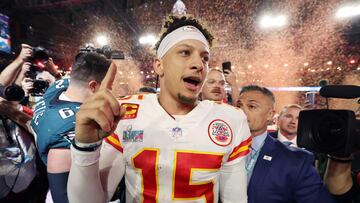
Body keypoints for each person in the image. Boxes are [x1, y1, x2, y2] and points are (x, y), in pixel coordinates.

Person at [68, 15, 251, 203]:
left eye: (205, 58)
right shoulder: (126, 113)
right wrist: (85, 147)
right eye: (185, 52)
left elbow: (235, 199)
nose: (199, 65)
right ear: (159, 65)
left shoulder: (231, 119)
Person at [31, 52, 111, 203]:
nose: (111, 91)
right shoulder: (72, 129)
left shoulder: (58, 87)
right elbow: (62, 196)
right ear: (93, 86)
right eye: (109, 86)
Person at [237, 85, 335, 203]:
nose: (241, 111)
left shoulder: (297, 160)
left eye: (251, 106)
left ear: (270, 115)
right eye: (238, 106)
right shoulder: (218, 148)